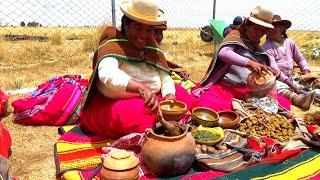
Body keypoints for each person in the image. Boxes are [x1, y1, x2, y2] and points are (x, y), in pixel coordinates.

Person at [79, 0, 192, 138]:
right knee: (134, 114)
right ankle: (162, 124)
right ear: (126, 25)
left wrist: (169, 95)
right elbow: (107, 74)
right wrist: (140, 88)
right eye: (138, 28)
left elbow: (165, 76)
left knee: (182, 95)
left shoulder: (152, 47)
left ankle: (164, 122)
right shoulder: (113, 45)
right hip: (121, 102)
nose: (144, 35)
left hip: (154, 99)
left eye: (149, 30)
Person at [192, 6, 291, 111]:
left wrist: (287, 82)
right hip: (226, 89)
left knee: (282, 105)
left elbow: (270, 68)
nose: (259, 34)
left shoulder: (257, 47)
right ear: (247, 25)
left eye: (263, 31)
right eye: (256, 29)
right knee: (208, 106)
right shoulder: (236, 35)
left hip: (248, 92)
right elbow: (224, 53)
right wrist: (250, 63)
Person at [263, 15, 316, 109]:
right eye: (269, 27)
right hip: (278, 79)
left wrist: (306, 73)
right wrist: (290, 84)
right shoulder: (267, 46)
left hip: (291, 78)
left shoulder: (290, 42)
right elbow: (274, 69)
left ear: (282, 29)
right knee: (280, 89)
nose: (271, 29)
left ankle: (312, 95)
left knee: (308, 89)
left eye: (274, 26)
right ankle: (300, 100)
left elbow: (300, 59)